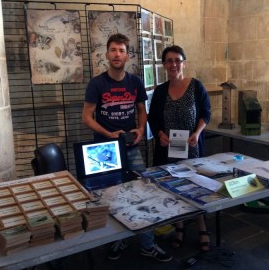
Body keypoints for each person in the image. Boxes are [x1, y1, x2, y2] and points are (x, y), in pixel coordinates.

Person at [82, 33, 172, 262]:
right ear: (106, 54)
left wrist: (141, 129)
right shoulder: (97, 83)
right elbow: (87, 116)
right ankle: (116, 239)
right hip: (104, 149)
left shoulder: (135, 82)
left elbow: (142, 110)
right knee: (107, 197)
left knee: (141, 192)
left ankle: (147, 244)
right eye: (113, 50)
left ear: (127, 55)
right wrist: (107, 134)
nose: (117, 54)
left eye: (121, 50)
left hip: (130, 146)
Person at [147, 45, 212, 252]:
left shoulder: (196, 86)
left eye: (177, 60)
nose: (173, 64)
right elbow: (153, 119)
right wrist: (160, 135)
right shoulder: (159, 91)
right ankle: (180, 228)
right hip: (168, 150)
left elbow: (206, 113)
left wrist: (198, 133)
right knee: (172, 188)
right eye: (169, 61)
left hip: (191, 148)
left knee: (196, 188)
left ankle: (202, 229)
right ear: (164, 65)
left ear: (183, 62)